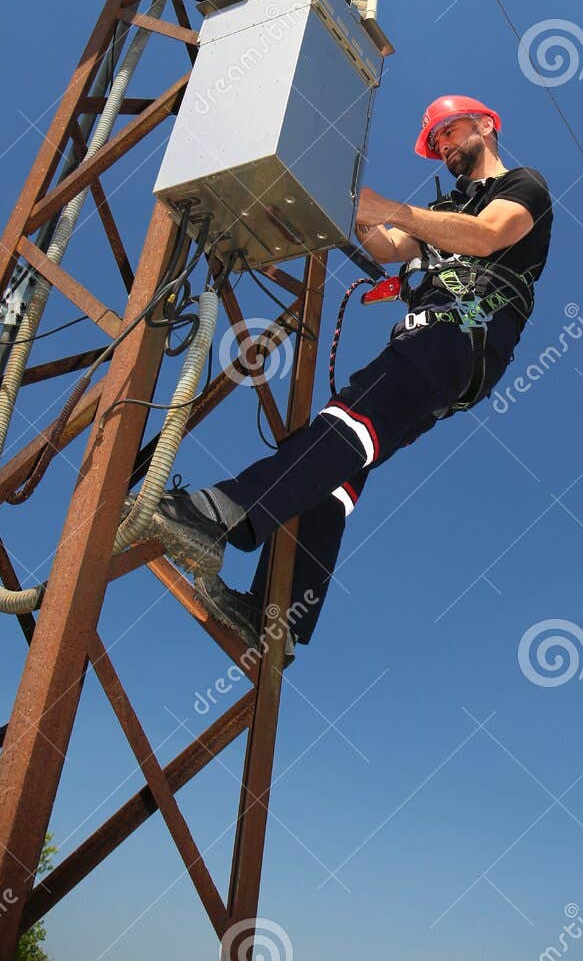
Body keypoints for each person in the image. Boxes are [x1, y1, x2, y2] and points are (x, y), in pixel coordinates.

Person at [140, 95, 553, 662]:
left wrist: (397, 210)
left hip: (463, 333)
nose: (445, 148)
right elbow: (386, 248)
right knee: (344, 465)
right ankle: (274, 617)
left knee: (348, 421)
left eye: (449, 133)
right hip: (437, 343)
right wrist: (352, 204)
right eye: (436, 144)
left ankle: (222, 514)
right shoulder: (448, 205)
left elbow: (486, 237)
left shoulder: (523, 186)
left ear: (486, 123)